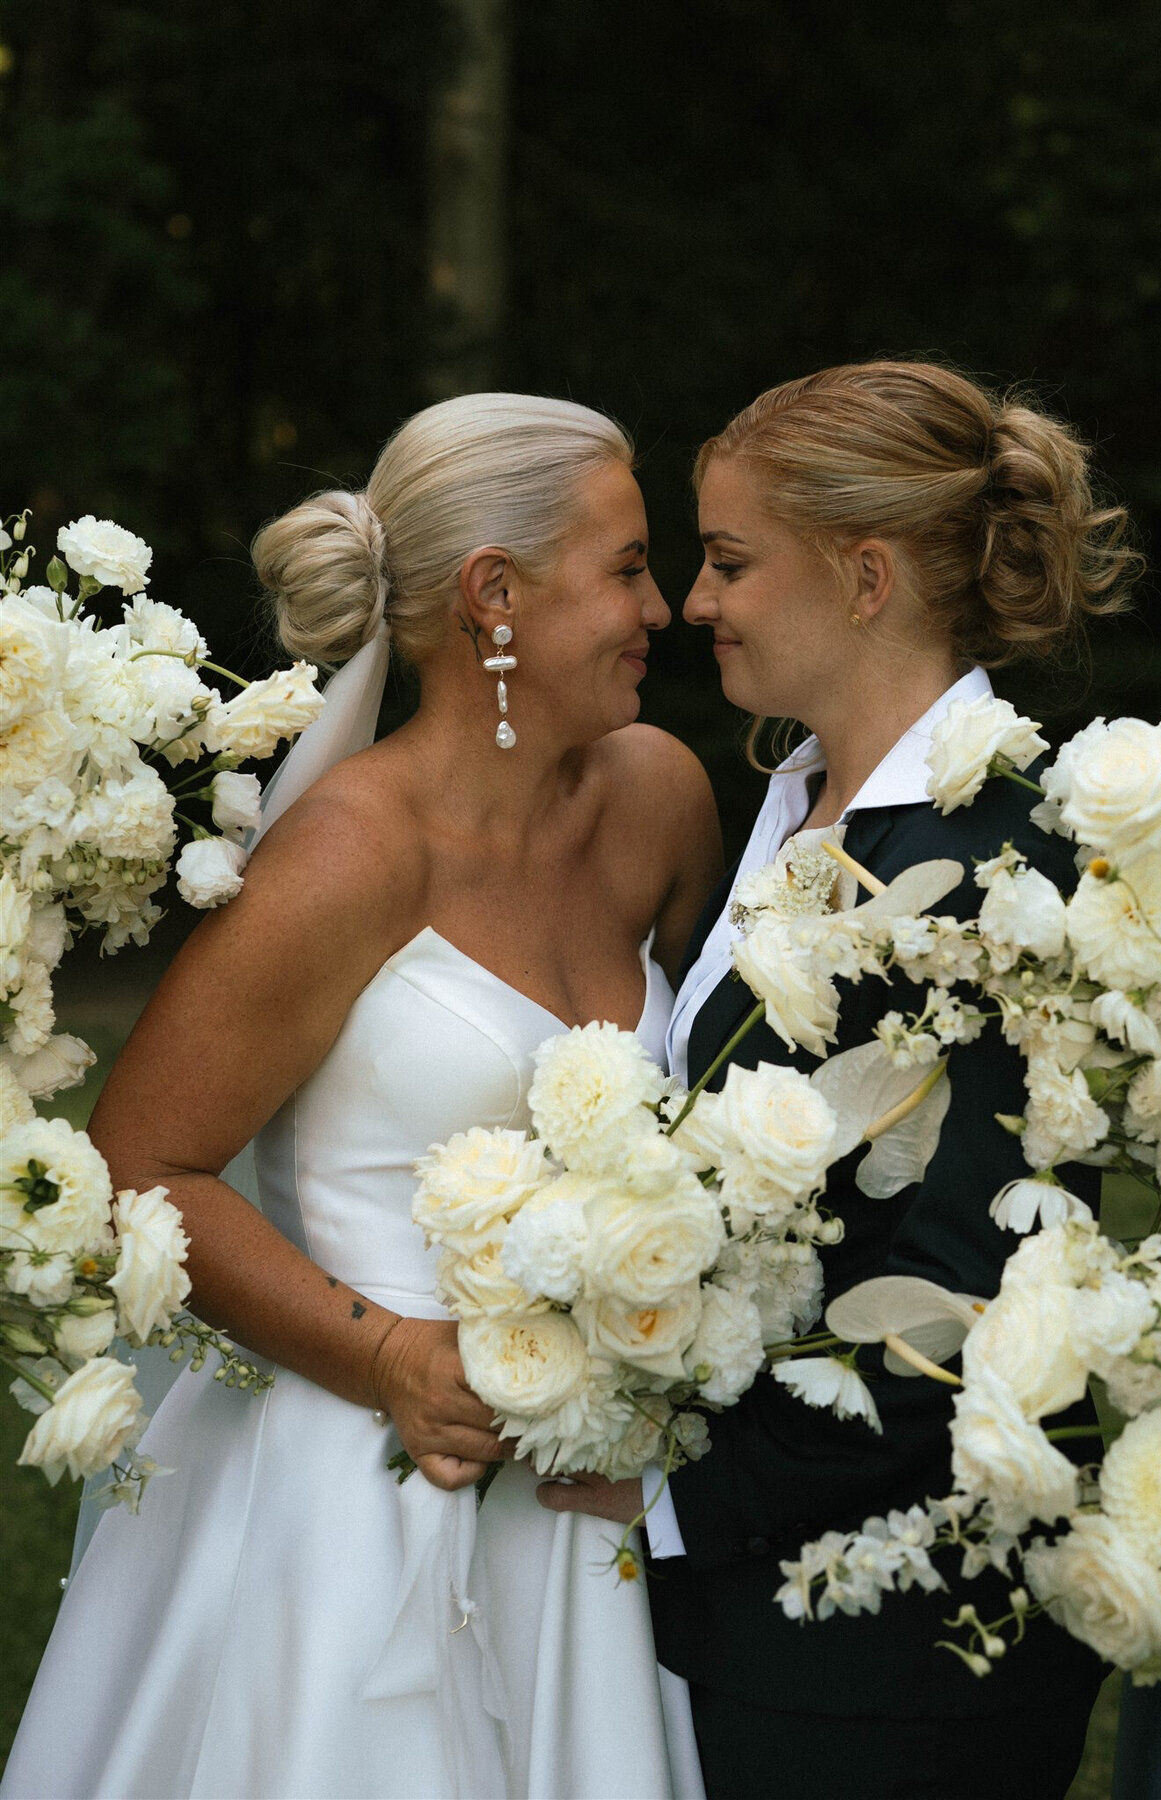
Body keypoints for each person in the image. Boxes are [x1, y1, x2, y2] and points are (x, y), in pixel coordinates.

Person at [2, 393, 719, 1800]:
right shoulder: (348, 856)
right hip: (360, 1487)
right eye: (628, 567)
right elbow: (143, 1163)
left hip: (592, 1499)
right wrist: (394, 1362)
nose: (665, 608)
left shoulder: (660, 799)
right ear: (494, 594)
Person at [538, 361, 1141, 1799]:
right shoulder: (789, 796)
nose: (696, 601)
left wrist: (672, 1496)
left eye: (732, 561)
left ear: (866, 577)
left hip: (896, 1660)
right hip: (746, 1624)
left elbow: (964, 1289)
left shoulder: (1018, 861)